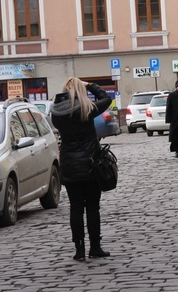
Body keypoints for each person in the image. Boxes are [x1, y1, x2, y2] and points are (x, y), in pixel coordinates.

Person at [50, 78, 112, 261]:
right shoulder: (86, 108)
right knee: (93, 208)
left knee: (75, 209)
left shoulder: (56, 112)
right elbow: (106, 99)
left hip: (69, 164)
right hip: (90, 163)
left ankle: (79, 249)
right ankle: (95, 247)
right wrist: (91, 85)